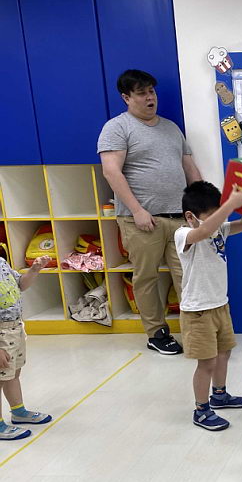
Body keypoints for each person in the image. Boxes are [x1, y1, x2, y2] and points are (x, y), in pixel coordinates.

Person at [98, 69, 203, 355]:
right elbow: (111, 171)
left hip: (180, 218)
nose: (149, 98)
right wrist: (137, 210)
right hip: (142, 220)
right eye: (142, 93)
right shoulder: (117, 128)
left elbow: (189, 168)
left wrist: (202, 208)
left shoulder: (171, 128)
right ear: (126, 98)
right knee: (146, 278)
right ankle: (156, 334)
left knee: (188, 276)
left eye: (151, 91)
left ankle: (197, 332)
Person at [175, 181, 242, 431]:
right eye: (212, 215)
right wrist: (230, 205)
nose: (219, 218)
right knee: (207, 363)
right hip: (197, 311)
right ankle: (201, 410)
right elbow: (203, 231)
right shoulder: (183, 234)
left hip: (220, 305)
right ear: (190, 217)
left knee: (224, 353)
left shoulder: (218, 229)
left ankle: (219, 395)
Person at [0, 255, 52, 440]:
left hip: (15, 328)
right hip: (1, 333)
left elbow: (20, 284)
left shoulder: (1, 263)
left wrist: (34, 270)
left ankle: (18, 411)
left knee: (13, 373)